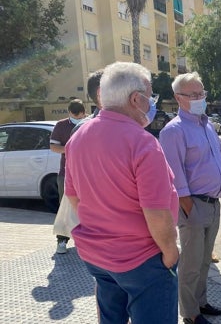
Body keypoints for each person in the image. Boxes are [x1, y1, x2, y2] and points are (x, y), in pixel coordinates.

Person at [64, 61, 179, 323]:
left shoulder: (78, 138)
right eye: (151, 96)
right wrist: (170, 251)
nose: (153, 103)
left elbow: (73, 197)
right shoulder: (143, 143)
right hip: (143, 260)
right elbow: (156, 212)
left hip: (97, 256)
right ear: (136, 99)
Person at [159, 72, 221, 324]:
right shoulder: (173, 131)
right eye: (194, 94)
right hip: (194, 205)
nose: (200, 98)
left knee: (204, 260)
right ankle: (190, 313)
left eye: (202, 93)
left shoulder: (206, 124)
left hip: (213, 203)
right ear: (179, 98)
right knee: (190, 264)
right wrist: (188, 206)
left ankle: (201, 301)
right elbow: (174, 173)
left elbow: (216, 156)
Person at [50, 98, 86, 254]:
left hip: (87, 174)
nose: (77, 118)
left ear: (84, 113)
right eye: (74, 116)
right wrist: (71, 148)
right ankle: (62, 241)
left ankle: (85, 240)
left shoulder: (89, 124)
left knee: (87, 208)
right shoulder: (61, 125)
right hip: (66, 173)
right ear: (69, 113)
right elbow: (53, 147)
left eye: (80, 116)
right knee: (65, 209)